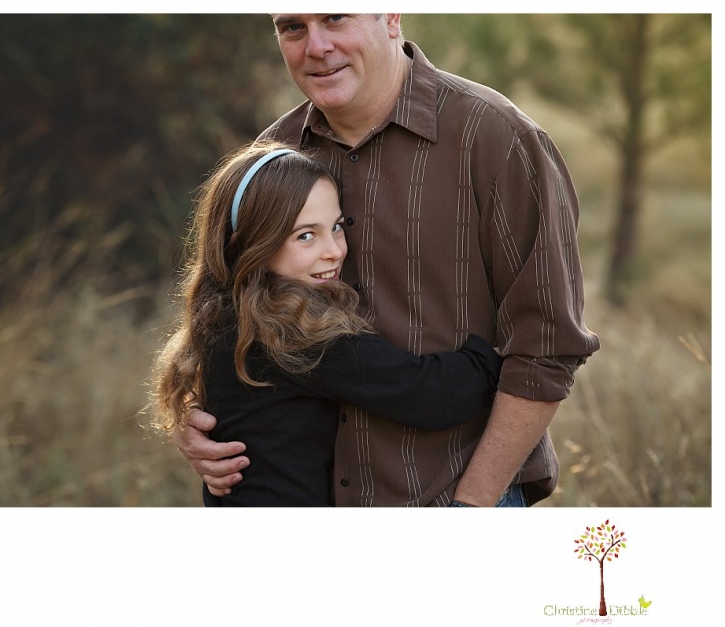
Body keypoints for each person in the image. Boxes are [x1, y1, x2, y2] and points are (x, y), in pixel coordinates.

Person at [174, 14, 601, 507]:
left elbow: (547, 346)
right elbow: (227, 300)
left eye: (335, 17)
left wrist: (474, 504)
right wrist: (202, 421)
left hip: (451, 495)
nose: (316, 46)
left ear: (391, 15)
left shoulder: (496, 139)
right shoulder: (275, 158)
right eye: (292, 26)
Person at [151, 141, 503, 506]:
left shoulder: (224, 316)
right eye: (306, 235)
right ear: (251, 244)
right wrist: (491, 354)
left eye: (336, 227)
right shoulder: (287, 334)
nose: (334, 250)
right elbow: (429, 395)